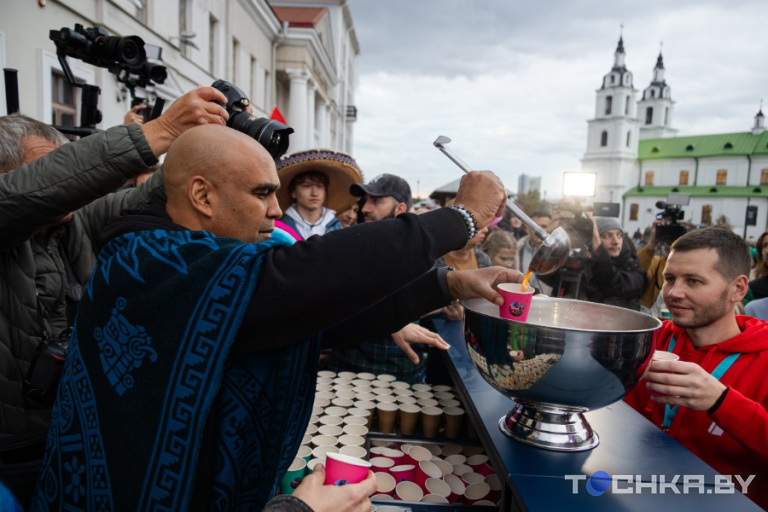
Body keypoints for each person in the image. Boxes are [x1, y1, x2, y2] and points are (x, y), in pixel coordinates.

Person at [32, 125, 516, 511]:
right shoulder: (154, 259)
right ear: (202, 196)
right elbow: (304, 276)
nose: (274, 209)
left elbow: (317, 315)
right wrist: (461, 219)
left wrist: (447, 284)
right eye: (262, 192)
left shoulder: (189, 258)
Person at [0, 87, 228, 507]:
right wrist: (158, 131)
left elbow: (157, 192)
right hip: (9, 456)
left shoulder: (78, 222)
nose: (72, 185)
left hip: (71, 436)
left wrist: (209, 143)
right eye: (48, 168)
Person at [624, 228, 768, 510]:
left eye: (694, 281)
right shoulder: (649, 338)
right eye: (669, 279)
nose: (674, 293)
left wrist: (722, 401)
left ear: (738, 289)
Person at [325, 173, 449, 382]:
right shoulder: (347, 245)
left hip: (401, 376)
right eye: (365, 200)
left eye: (377, 201)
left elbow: (437, 299)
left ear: (400, 209)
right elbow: (331, 303)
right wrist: (393, 323)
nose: (365, 208)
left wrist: (449, 305)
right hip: (345, 373)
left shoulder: (424, 253)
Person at [276, 149, 363, 239]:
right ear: (293, 192)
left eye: (320, 186)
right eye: (306, 186)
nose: (314, 193)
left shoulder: (338, 228)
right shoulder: (280, 229)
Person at [515, 210, 552, 295]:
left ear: (550, 229)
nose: (539, 231)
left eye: (544, 226)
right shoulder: (516, 249)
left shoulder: (556, 254)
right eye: (535, 226)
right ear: (527, 228)